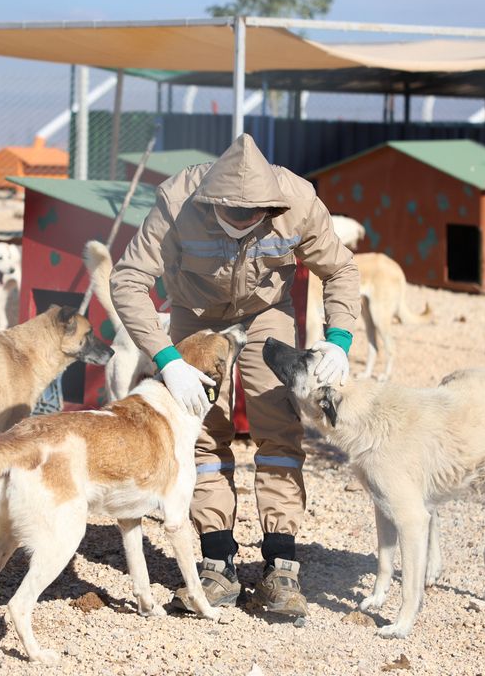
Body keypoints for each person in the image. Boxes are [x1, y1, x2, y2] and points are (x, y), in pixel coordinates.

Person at [111, 133, 359, 617]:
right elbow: (128, 279)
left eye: (255, 216)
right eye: (234, 214)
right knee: (201, 433)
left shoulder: (298, 201)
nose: (245, 222)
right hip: (196, 313)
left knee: (278, 426)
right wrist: (168, 360)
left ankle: (281, 567)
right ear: (213, 200)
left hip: (267, 312)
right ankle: (216, 562)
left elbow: (341, 270)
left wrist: (339, 338)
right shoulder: (177, 201)